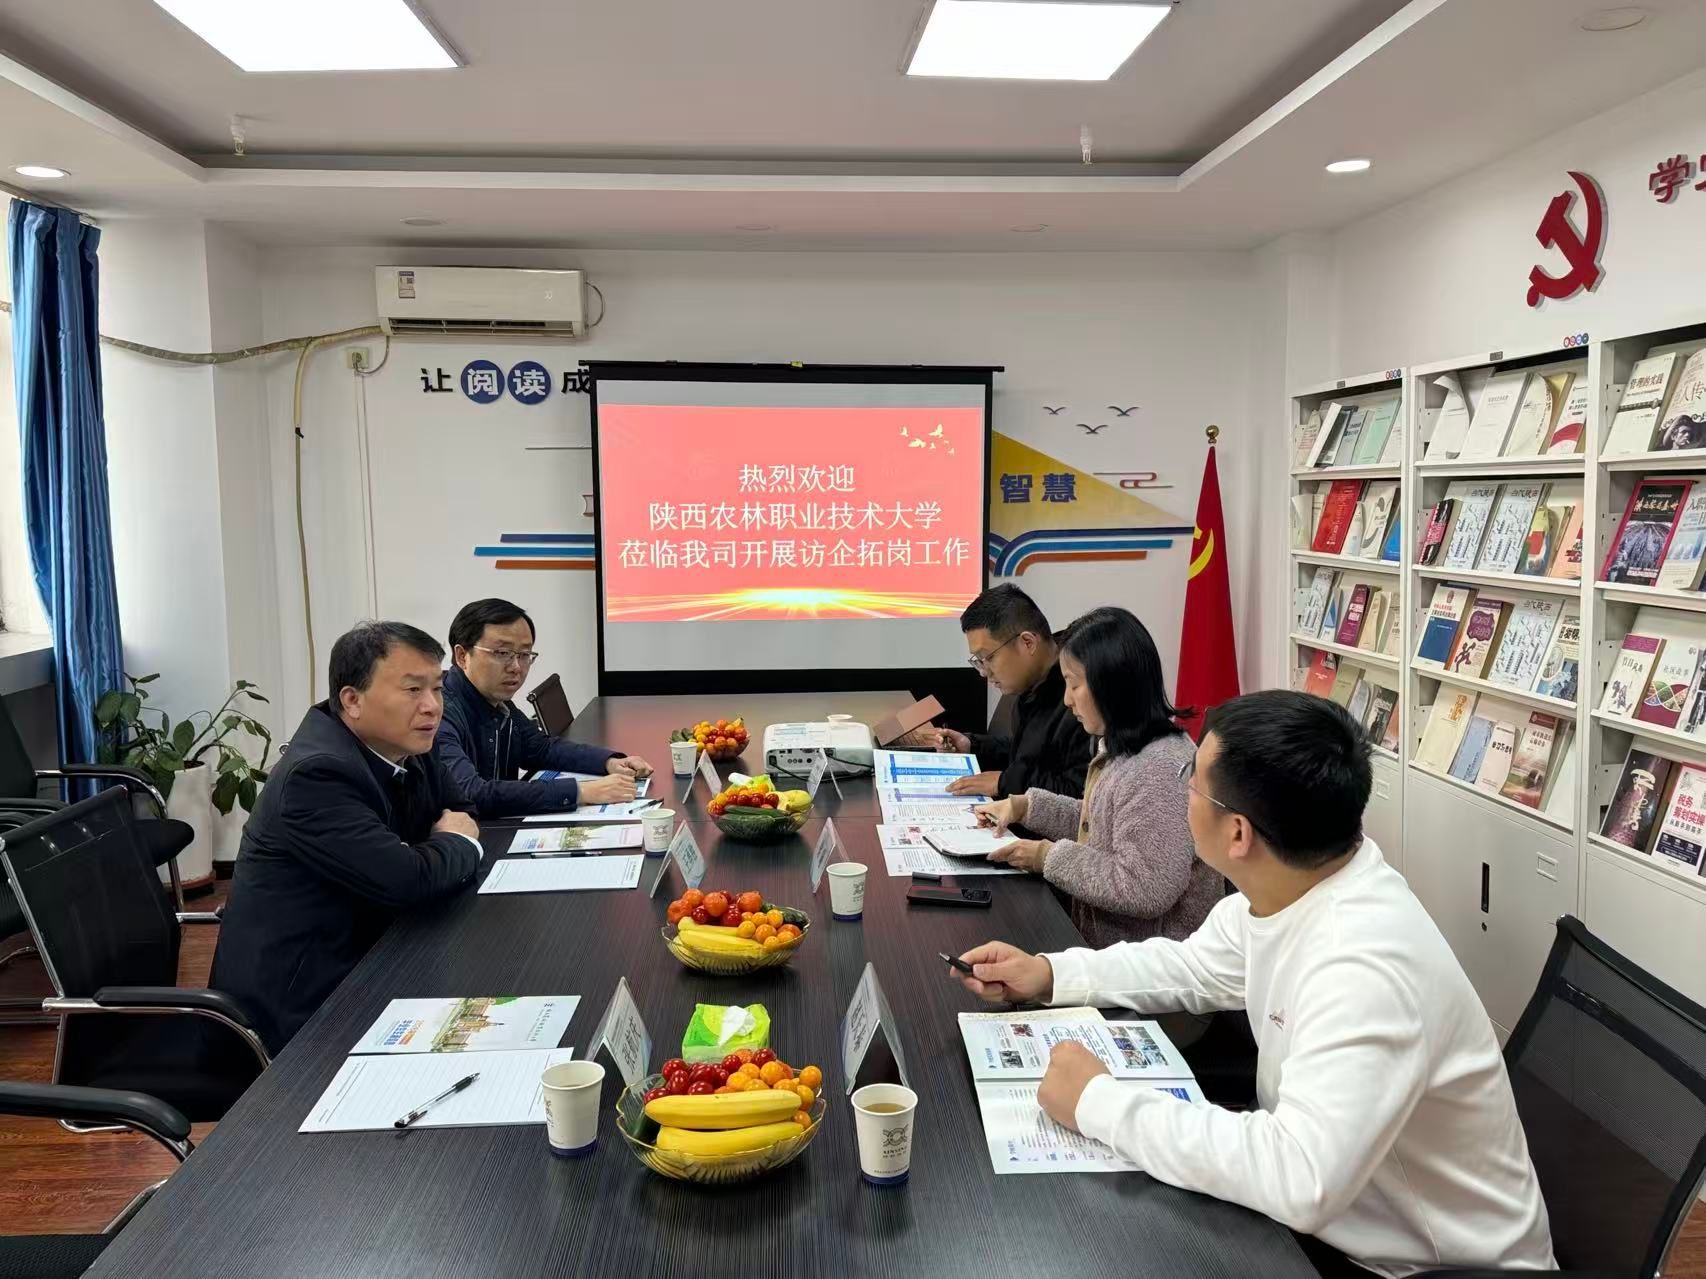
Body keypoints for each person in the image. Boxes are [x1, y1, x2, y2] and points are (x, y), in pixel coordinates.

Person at [953, 691, 1554, 1277]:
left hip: (1423, 1264)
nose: (1182, 793)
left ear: (1238, 834)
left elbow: (1300, 1178)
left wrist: (1098, 1102)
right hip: (1341, 1224)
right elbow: (1191, 967)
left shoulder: (1364, 966)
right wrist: (1051, 973)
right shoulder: (1294, 886)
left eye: (1191, 782)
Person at [210, 622, 484, 1053]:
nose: (433, 707)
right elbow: (408, 878)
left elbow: (461, 810)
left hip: (379, 954)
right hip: (306, 1011)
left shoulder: (406, 745)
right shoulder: (315, 776)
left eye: (437, 688)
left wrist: (439, 848)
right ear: (352, 700)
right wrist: (456, 844)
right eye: (413, 690)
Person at [974, 607, 1220, 958]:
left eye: (1074, 684)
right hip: (1109, 952)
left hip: (1153, 973)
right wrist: (1025, 807)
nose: (1066, 699)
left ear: (1111, 684)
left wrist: (1046, 856)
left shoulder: (1159, 767)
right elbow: (1102, 824)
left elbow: (1144, 888)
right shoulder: (1125, 748)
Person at [436, 598, 651, 819]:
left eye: (524, 655)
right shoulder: (438, 714)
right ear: (462, 656)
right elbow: (472, 793)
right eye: (502, 653)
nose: (516, 667)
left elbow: (541, 749)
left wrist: (609, 762)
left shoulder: (497, 701)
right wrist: (581, 792)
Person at [932, 584, 1094, 799]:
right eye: (978, 660)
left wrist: (1005, 782)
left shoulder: (1082, 695)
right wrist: (974, 745)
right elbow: (1029, 754)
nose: (984, 672)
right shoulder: (1034, 682)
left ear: (1028, 642)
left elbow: (1080, 795)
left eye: (988, 657)